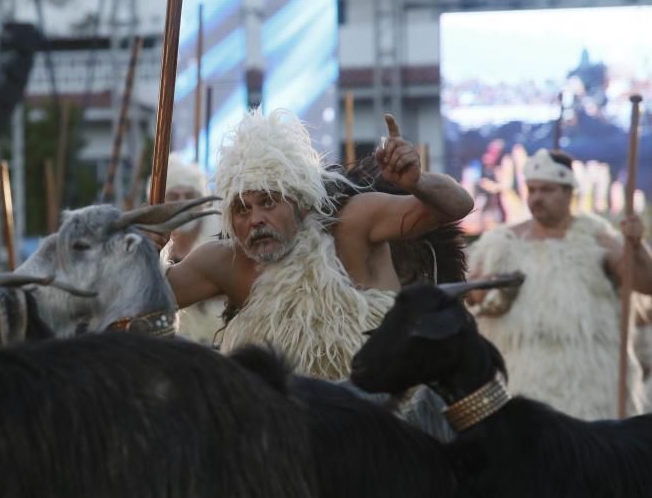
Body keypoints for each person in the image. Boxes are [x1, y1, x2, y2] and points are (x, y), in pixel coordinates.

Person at [165, 108, 473, 380]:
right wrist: (150, 246)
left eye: (268, 202)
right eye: (242, 209)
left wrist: (417, 183)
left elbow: (456, 206)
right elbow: (145, 297)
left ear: (300, 203)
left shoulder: (352, 223)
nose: (255, 219)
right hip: (285, 427)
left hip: (380, 418)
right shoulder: (225, 263)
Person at [466, 147, 652, 419]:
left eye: (547, 190)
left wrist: (637, 246)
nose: (536, 198)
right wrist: (490, 289)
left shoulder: (596, 238)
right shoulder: (502, 243)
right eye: (532, 190)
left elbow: (651, 284)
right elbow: (474, 297)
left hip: (591, 385)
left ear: (569, 192)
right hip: (523, 384)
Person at [159, 154, 225, 345]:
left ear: (202, 201)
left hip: (221, 341)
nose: (183, 202)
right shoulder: (153, 242)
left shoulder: (224, 236)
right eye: (174, 196)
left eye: (190, 196)